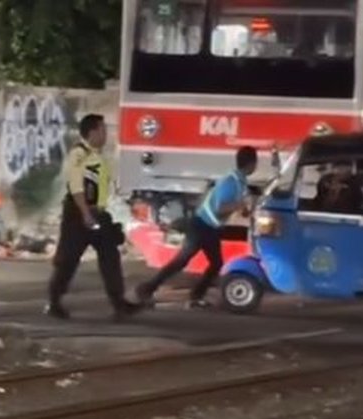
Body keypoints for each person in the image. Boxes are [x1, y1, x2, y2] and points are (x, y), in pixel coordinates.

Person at [136, 145, 260, 309]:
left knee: (215, 263)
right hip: (201, 226)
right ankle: (147, 288)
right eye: (255, 163)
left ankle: (195, 296)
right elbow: (220, 208)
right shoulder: (230, 182)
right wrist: (239, 205)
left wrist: (245, 208)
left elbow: (236, 207)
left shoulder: (240, 182)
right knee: (182, 261)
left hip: (211, 228)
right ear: (251, 164)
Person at [47, 114, 135, 320]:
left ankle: (119, 304)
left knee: (110, 257)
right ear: (93, 132)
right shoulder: (79, 154)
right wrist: (85, 213)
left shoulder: (99, 156)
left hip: (98, 213)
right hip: (78, 214)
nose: (106, 134)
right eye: (103, 130)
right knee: (68, 260)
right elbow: (76, 187)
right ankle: (54, 302)